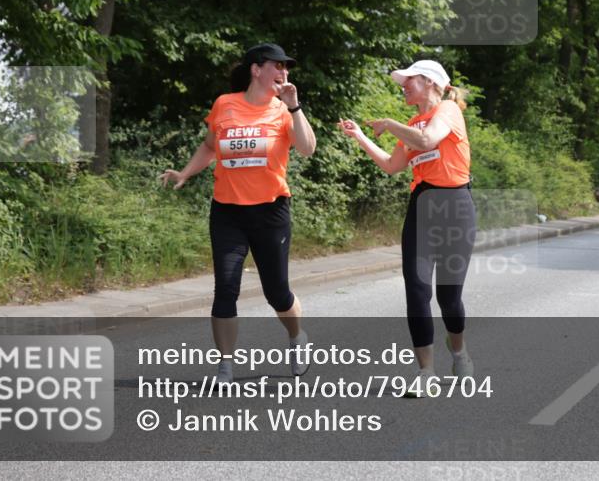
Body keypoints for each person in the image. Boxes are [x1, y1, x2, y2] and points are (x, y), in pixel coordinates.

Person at [158, 43, 317, 384]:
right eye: (277, 66)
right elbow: (209, 146)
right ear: (256, 70)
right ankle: (225, 367)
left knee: (277, 293)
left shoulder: (283, 111)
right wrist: (186, 172)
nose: (284, 72)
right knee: (225, 288)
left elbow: (307, 148)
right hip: (228, 212)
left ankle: (296, 337)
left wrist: (294, 107)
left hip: (271, 212)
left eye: (286, 68)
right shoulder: (225, 105)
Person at [339, 60, 475, 397]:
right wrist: (359, 136)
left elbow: (428, 140)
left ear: (430, 83)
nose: (403, 86)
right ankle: (425, 371)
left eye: (408, 81)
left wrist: (389, 124)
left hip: (455, 207)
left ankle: (459, 352)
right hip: (421, 207)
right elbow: (391, 165)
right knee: (416, 289)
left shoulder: (448, 110)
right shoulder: (413, 123)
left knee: (449, 298)